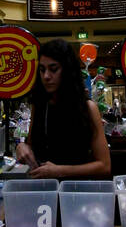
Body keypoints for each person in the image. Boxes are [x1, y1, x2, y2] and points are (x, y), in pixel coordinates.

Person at [15, 39, 111, 179]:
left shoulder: (88, 108)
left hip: (76, 192)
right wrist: (22, 147)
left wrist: (59, 170)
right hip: (44, 191)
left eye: (53, 69)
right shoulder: (40, 104)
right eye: (42, 70)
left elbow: (104, 166)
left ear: (67, 70)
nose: (46, 76)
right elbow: (32, 146)